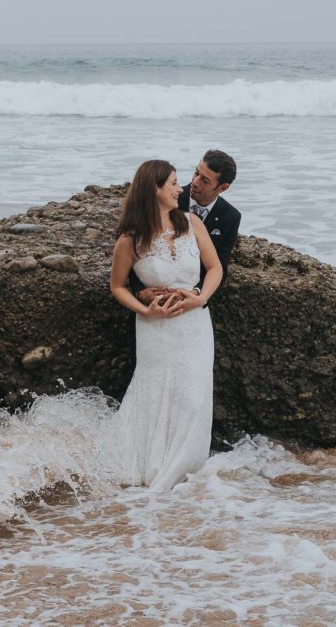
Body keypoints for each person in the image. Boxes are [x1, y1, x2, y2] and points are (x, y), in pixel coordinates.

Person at [107, 159, 224, 491]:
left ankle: (184, 472)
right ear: (154, 189)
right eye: (173, 183)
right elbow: (117, 286)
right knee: (156, 395)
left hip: (196, 326)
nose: (180, 189)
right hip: (154, 328)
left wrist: (200, 297)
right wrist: (147, 312)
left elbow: (215, 269)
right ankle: (151, 466)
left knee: (194, 397)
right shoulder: (130, 240)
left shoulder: (192, 224)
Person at [131, 149, 240, 307]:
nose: (195, 181)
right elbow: (134, 248)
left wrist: (197, 294)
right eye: (196, 173)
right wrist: (139, 291)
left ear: (223, 188)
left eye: (204, 180)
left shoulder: (230, 217)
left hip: (192, 303)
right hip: (152, 303)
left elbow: (219, 266)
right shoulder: (167, 199)